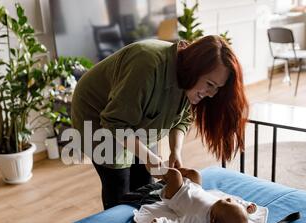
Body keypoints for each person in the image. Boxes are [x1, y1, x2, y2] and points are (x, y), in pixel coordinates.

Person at [71, 35, 248, 210]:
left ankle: (141, 221)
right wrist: (148, 157)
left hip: (133, 116)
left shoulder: (187, 79)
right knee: (119, 187)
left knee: (145, 182)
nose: (211, 94)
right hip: (96, 114)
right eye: (209, 84)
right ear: (194, 68)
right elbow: (114, 122)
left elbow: (183, 118)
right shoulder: (146, 66)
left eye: (217, 88)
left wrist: (175, 151)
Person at [146, 167, 257, 223]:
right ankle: (172, 170)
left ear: (213, 220)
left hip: (176, 195)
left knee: (175, 175)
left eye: (227, 202)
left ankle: (157, 170)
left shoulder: (198, 218)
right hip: (195, 188)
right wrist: (246, 206)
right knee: (195, 173)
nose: (229, 199)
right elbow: (237, 206)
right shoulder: (223, 210)